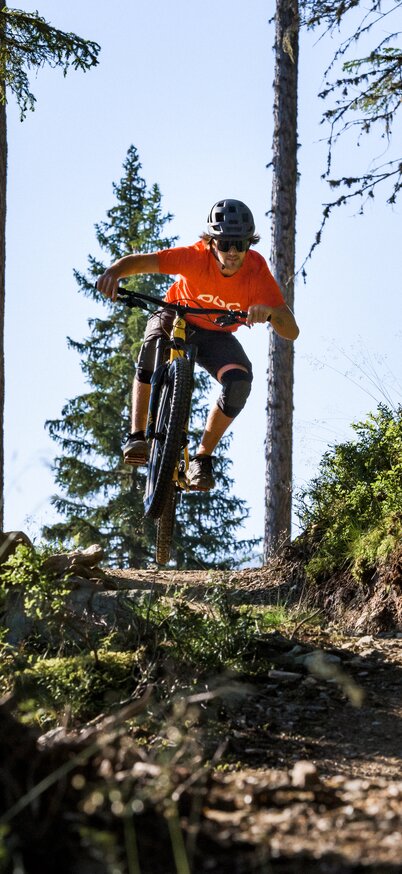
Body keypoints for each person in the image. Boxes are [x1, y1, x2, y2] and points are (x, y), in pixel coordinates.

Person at [97, 198, 299, 491]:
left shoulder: (256, 272)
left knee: (239, 381)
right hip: (175, 313)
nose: (232, 252)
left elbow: (291, 330)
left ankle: (202, 458)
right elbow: (144, 262)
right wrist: (114, 272)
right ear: (211, 242)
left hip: (215, 333)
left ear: (248, 244)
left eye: (240, 245)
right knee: (152, 349)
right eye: (226, 243)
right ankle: (137, 436)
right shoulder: (193, 257)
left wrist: (271, 313)